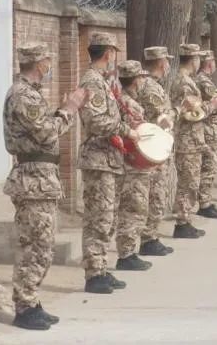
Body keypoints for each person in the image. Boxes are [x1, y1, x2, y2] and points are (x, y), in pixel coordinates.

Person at [3, 42, 86, 329]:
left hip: (40, 179)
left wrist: (61, 111)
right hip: (32, 181)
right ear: (40, 64)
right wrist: (69, 109)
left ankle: (32, 300)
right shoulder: (23, 95)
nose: (49, 66)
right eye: (48, 61)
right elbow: (47, 133)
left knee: (42, 243)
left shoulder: (30, 94)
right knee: (35, 245)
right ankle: (24, 307)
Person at [79, 32, 137, 295]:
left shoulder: (102, 82)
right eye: (114, 53)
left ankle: (101, 267)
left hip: (108, 159)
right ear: (108, 54)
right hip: (98, 159)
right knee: (98, 218)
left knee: (108, 217)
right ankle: (94, 274)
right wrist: (125, 129)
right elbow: (95, 121)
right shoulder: (92, 81)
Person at [171, 44, 217, 238]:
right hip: (187, 140)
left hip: (193, 139)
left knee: (191, 182)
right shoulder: (185, 82)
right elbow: (191, 113)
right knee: (188, 183)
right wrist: (213, 105)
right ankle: (182, 222)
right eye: (198, 59)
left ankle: (185, 220)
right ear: (194, 60)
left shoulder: (186, 80)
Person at [113, 60, 154, 273]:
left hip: (128, 161)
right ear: (136, 80)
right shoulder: (130, 104)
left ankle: (128, 251)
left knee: (132, 206)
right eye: (141, 78)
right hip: (133, 164)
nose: (143, 81)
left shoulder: (121, 100)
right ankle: (127, 254)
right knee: (134, 207)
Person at [137, 46, 176, 257]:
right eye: (167, 61)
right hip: (153, 149)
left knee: (156, 195)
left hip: (155, 147)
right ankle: (149, 238)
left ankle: (151, 236)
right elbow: (162, 118)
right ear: (161, 63)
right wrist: (176, 111)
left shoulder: (153, 85)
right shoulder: (151, 88)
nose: (168, 65)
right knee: (156, 195)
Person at [194, 50, 217, 219]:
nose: (214, 64)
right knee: (210, 165)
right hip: (208, 129)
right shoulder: (203, 81)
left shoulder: (201, 80)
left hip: (209, 129)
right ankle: (204, 203)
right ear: (209, 63)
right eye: (213, 61)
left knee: (209, 165)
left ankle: (205, 200)